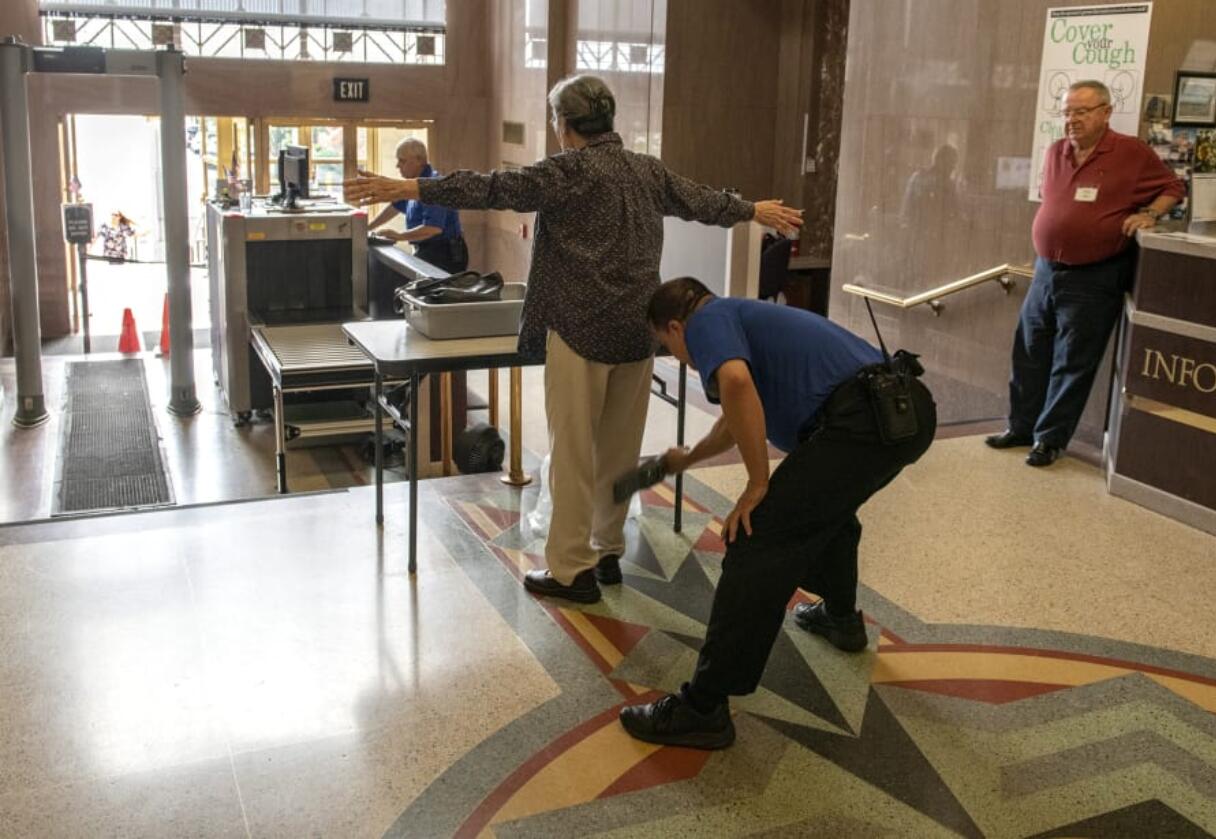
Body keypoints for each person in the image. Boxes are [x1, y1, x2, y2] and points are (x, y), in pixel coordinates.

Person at [346, 75, 803, 604]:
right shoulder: (645, 170)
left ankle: (570, 570)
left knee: (572, 455)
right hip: (636, 333)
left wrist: (409, 187)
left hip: (578, 331)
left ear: (564, 125)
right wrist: (751, 210)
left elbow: (495, 188)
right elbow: (700, 201)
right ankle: (608, 550)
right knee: (618, 451)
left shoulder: (570, 170)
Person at [617, 278, 937, 749]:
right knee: (825, 511)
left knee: (757, 538)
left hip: (861, 420)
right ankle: (841, 619)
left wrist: (758, 483)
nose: (678, 356)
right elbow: (735, 410)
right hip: (903, 413)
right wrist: (690, 457)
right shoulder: (743, 318)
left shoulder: (708, 319)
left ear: (674, 326)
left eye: (668, 346)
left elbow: (736, 382)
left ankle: (703, 707)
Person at [986, 80, 1185, 466]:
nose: (1072, 120)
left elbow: (1173, 186)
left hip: (1094, 277)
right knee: (1028, 351)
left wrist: (1150, 213)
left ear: (1106, 112)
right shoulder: (1056, 151)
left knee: (1072, 361)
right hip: (1046, 270)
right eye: (1067, 112)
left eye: (1082, 111)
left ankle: (1049, 439)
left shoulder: (1131, 153)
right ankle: (1021, 427)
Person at [366, 138, 469, 274]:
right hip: (428, 248)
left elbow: (433, 228)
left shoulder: (434, 186)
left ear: (419, 161)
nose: (397, 166)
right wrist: (367, 228)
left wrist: (399, 236)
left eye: (402, 161)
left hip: (444, 252)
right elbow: (394, 207)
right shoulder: (414, 185)